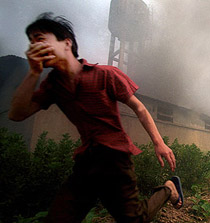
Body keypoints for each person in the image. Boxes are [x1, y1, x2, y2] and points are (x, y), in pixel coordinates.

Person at [8, 12, 183, 223]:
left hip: (115, 161)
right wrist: (33, 72)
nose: (35, 46)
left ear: (66, 43)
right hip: (85, 164)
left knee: (136, 219)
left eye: (41, 38)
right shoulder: (52, 86)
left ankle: (168, 188)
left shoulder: (106, 74)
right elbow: (17, 114)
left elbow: (140, 109)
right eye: (32, 41)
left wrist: (159, 143)